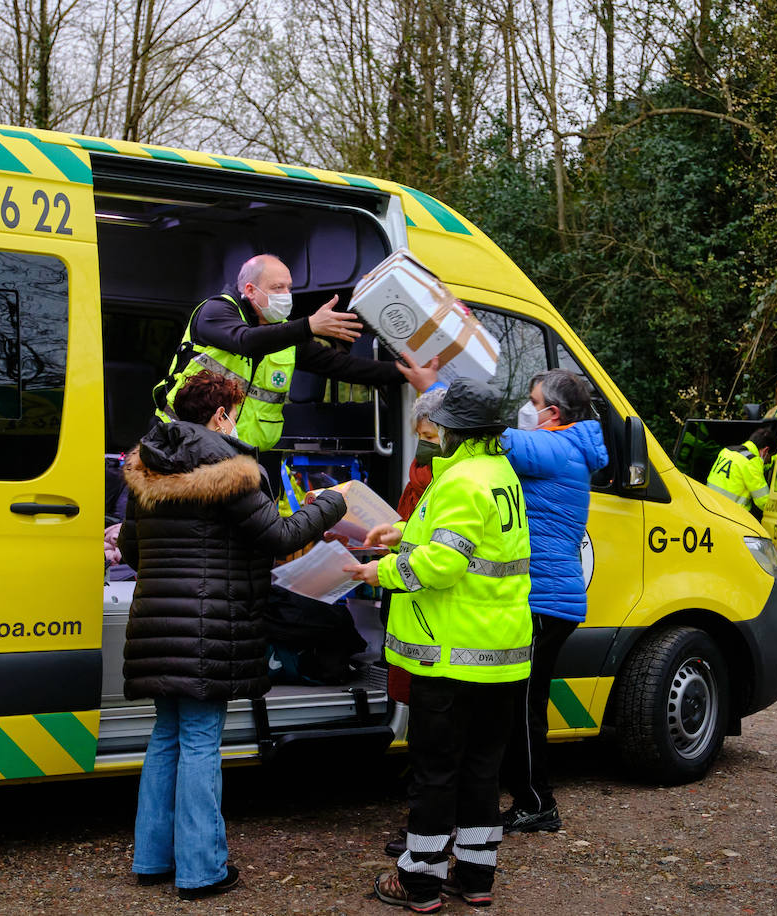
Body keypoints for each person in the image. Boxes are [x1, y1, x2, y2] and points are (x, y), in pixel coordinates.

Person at [120, 371, 348, 900]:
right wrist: (331, 503)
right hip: (210, 631)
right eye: (235, 411)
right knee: (200, 742)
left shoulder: (144, 469)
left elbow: (133, 551)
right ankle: (201, 870)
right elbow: (279, 535)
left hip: (156, 626)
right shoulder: (231, 469)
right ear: (221, 416)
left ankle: (152, 859)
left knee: (166, 739)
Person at [345, 378, 532, 913]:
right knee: (480, 771)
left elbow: (444, 565)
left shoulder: (457, 481)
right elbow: (468, 544)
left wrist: (380, 572)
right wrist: (402, 531)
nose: (431, 435)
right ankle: (475, 877)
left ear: (453, 432)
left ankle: (419, 882)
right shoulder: (497, 473)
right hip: (500, 656)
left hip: (450, 655)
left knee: (435, 772)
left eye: (437, 428)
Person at [154, 253, 439, 452]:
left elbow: (337, 365)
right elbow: (245, 341)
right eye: (277, 287)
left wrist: (402, 373)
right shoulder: (217, 311)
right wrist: (309, 325)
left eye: (289, 287)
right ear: (251, 290)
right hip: (183, 442)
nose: (286, 294)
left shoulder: (283, 332)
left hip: (245, 454)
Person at [498, 369, 607, 833]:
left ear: (553, 412)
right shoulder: (567, 447)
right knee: (524, 704)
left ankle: (536, 803)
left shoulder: (559, 448)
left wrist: (434, 386)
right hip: (549, 598)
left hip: (544, 600)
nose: (527, 407)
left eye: (531, 400)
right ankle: (531, 798)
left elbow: (496, 437)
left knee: (523, 707)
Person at [396, 387, 447, 519]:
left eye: (429, 437)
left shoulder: (455, 478)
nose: (422, 443)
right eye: (419, 435)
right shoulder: (418, 474)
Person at [706, 426, 777, 513]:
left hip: (709, 507)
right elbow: (764, 502)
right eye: (769, 458)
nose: (767, 462)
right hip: (731, 515)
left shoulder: (727, 451)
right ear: (765, 451)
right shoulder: (751, 461)